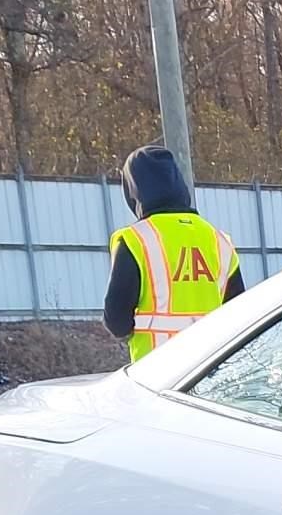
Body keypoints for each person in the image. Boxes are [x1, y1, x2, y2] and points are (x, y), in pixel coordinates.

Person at [103, 145, 243, 361]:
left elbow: (117, 321)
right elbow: (241, 315)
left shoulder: (135, 240)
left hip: (156, 374)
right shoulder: (219, 240)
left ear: (133, 191)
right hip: (212, 371)